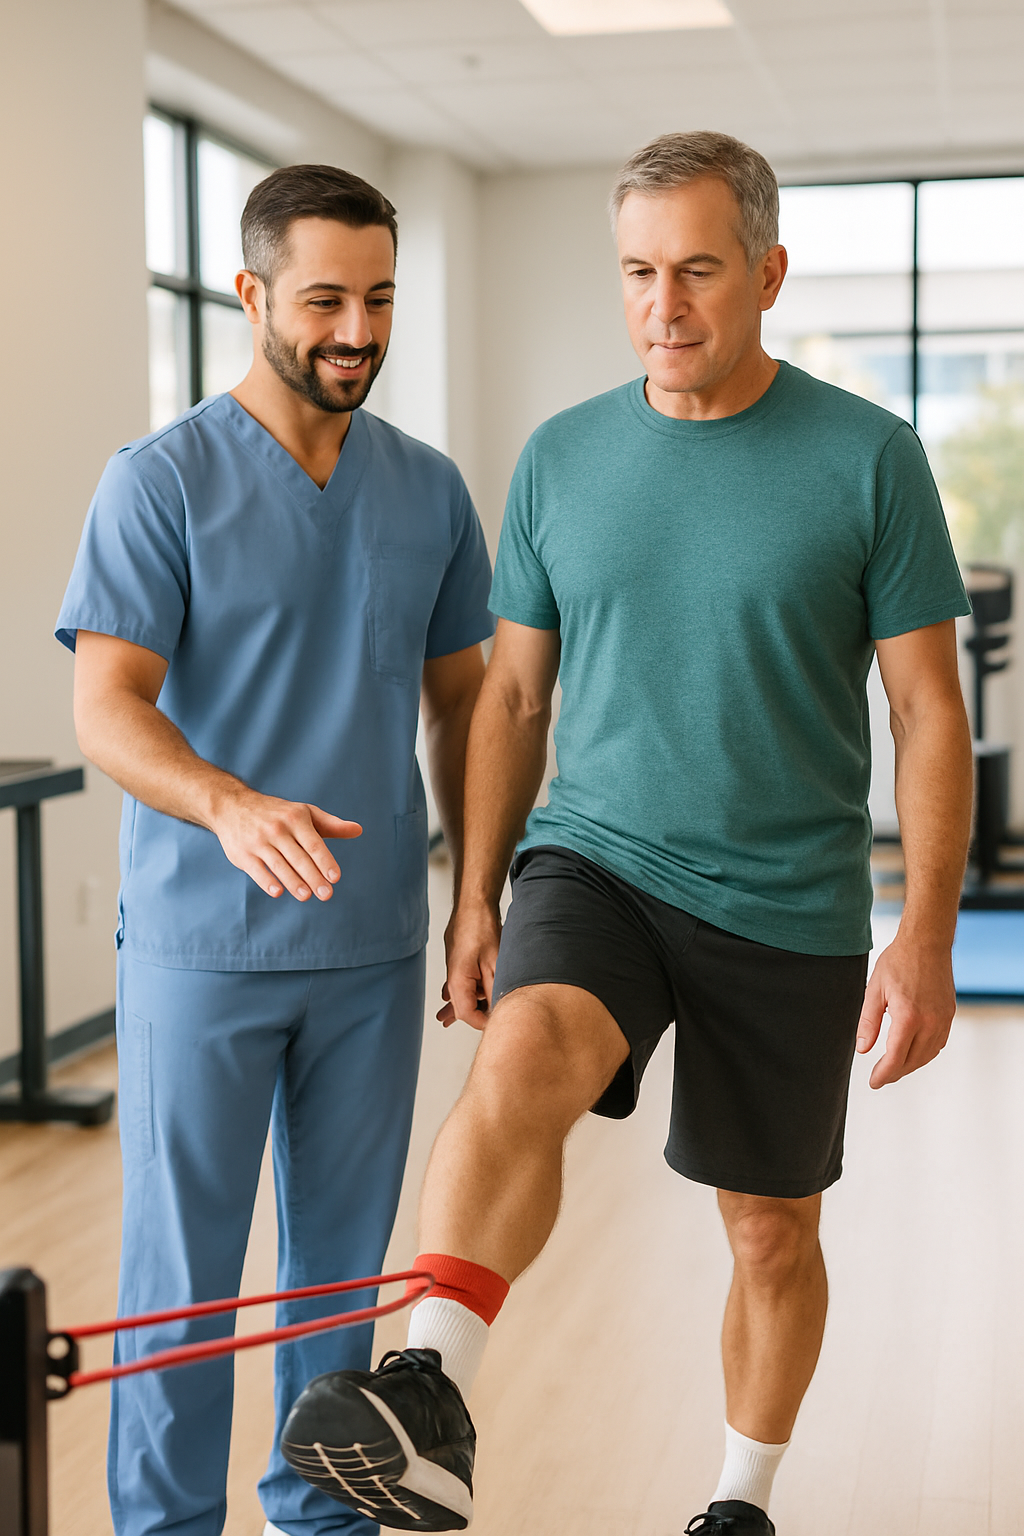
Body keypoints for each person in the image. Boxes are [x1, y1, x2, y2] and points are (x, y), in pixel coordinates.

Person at [278, 133, 974, 1536]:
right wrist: (479, 892)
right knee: (526, 1048)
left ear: (768, 272)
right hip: (600, 853)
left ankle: (739, 1502)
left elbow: (926, 713)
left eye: (700, 271)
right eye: (641, 273)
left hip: (790, 896)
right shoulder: (564, 457)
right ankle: (429, 1393)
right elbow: (516, 696)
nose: (666, 306)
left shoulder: (870, 460)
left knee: (770, 1233)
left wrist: (929, 934)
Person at [56, 164, 494, 1536]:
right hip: (206, 943)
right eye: (323, 300)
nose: (356, 329)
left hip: (371, 949)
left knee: (339, 1284)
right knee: (181, 1280)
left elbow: (469, 704)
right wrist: (229, 803)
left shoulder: (427, 490)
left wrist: (480, 894)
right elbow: (108, 707)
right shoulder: (161, 482)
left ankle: (323, 1520)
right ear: (251, 296)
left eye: (378, 299)